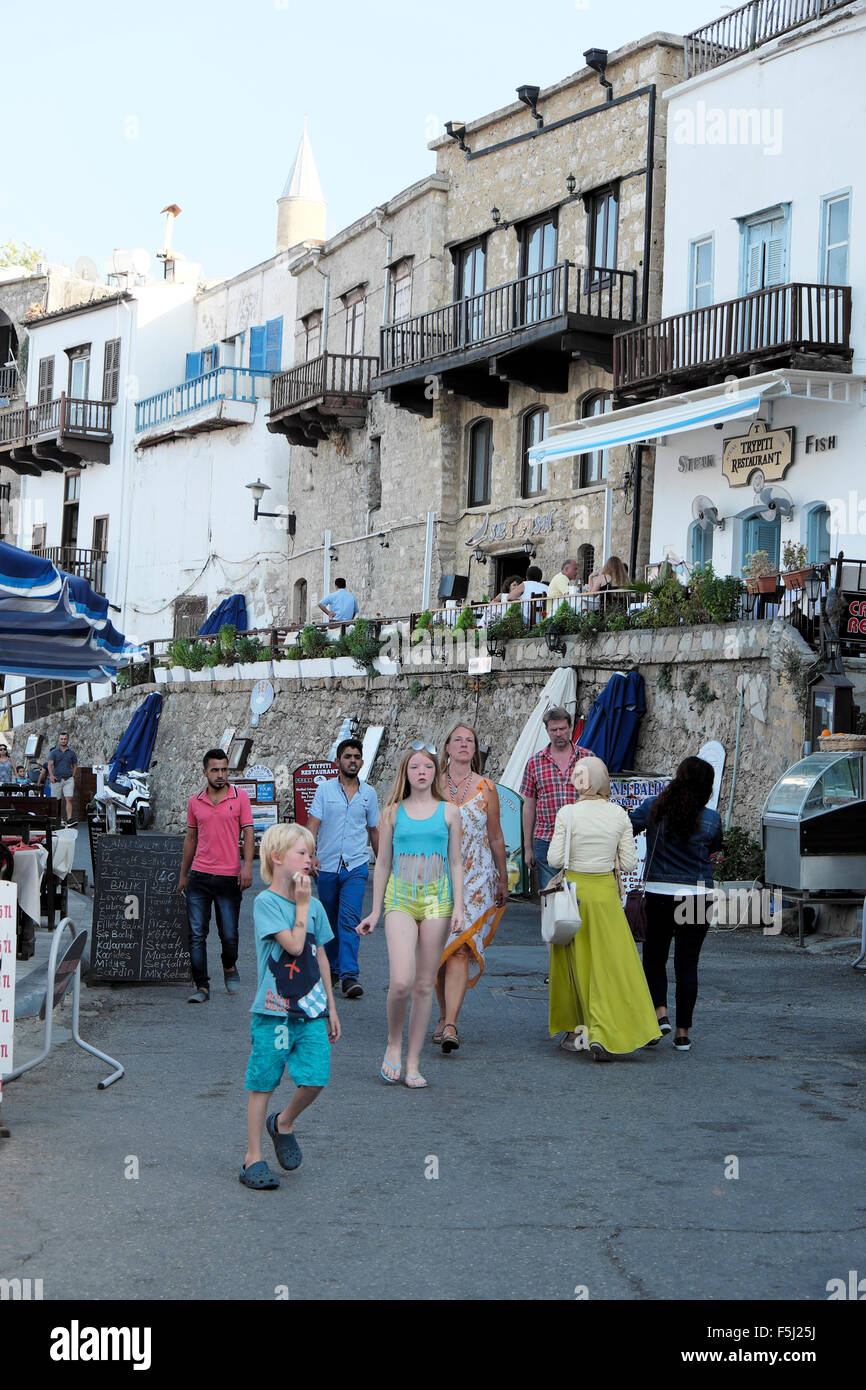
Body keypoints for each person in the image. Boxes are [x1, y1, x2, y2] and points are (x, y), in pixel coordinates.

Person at [239, 823, 340, 1190]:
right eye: (302, 853)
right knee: (263, 1082)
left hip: (311, 1010)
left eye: (311, 854)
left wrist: (331, 1005)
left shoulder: (314, 905)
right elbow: (295, 946)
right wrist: (300, 906)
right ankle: (252, 1158)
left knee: (315, 1078)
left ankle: (283, 1122)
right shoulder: (267, 903)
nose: (309, 860)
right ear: (277, 858)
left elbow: (320, 954)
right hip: (273, 1012)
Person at [357, 746, 464, 1089]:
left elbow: (457, 862)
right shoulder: (391, 813)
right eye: (415, 766)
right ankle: (393, 1043)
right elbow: (383, 863)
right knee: (401, 981)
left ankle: (414, 1061)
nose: (422, 771)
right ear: (405, 772)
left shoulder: (450, 812)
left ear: (435, 772)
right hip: (400, 900)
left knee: (423, 984)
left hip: (438, 901)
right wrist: (374, 911)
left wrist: (460, 907)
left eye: (428, 766)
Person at [547, 756, 661, 1061]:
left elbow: (556, 859)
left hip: (575, 896)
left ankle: (580, 1032)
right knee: (611, 966)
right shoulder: (619, 815)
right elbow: (628, 863)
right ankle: (607, 1032)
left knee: (578, 966)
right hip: (606, 897)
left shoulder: (567, 813)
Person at [628, 756, 723, 1053]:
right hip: (696, 895)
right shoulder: (711, 819)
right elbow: (715, 847)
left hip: (659, 893)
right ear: (707, 787)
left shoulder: (655, 809)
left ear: (678, 779)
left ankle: (660, 1013)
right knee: (687, 965)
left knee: (654, 959)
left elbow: (628, 824)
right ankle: (683, 1033)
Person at [433, 723, 508, 1053]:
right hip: (435, 877)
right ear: (447, 746)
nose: (464, 745)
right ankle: (442, 1014)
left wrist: (504, 877)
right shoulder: (430, 784)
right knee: (437, 951)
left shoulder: (487, 788)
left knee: (461, 947)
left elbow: (495, 836)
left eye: (470, 741)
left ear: (475, 750)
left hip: (476, 879)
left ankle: (451, 1023)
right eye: (458, 740)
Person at [307, 737, 380, 1000]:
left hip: (356, 866)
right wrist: (309, 855)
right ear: (338, 761)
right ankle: (333, 969)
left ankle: (349, 975)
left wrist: (382, 863)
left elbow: (374, 830)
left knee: (349, 919)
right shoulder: (324, 791)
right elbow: (313, 824)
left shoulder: (369, 794)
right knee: (328, 920)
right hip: (326, 866)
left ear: (362, 761)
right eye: (348, 756)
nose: (352, 761)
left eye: (356, 757)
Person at [180, 748, 254, 1004]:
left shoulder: (240, 797)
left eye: (224, 770)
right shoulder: (195, 802)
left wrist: (247, 867)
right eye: (216, 770)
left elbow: (248, 834)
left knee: (229, 934)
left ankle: (229, 965)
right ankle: (202, 985)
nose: (221, 775)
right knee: (197, 934)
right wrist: (183, 874)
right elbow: (190, 839)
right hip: (199, 876)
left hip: (228, 876)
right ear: (205, 772)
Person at [520, 707, 591, 890]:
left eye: (562, 728)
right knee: (551, 900)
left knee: (580, 898)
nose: (559, 734)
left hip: (580, 838)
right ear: (547, 731)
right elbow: (529, 806)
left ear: (570, 728)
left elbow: (599, 799)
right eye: (554, 730)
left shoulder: (587, 758)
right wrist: (528, 847)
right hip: (546, 839)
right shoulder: (534, 763)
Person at [47, 731, 78, 825]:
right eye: (62, 739)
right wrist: (51, 775)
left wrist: (73, 775)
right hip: (57, 778)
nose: (63, 741)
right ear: (59, 740)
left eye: (65, 739)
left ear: (67, 740)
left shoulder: (72, 753)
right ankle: (56, 818)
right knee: (56, 800)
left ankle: (69, 819)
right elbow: (50, 765)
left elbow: (75, 765)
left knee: (69, 798)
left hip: (68, 778)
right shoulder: (54, 752)